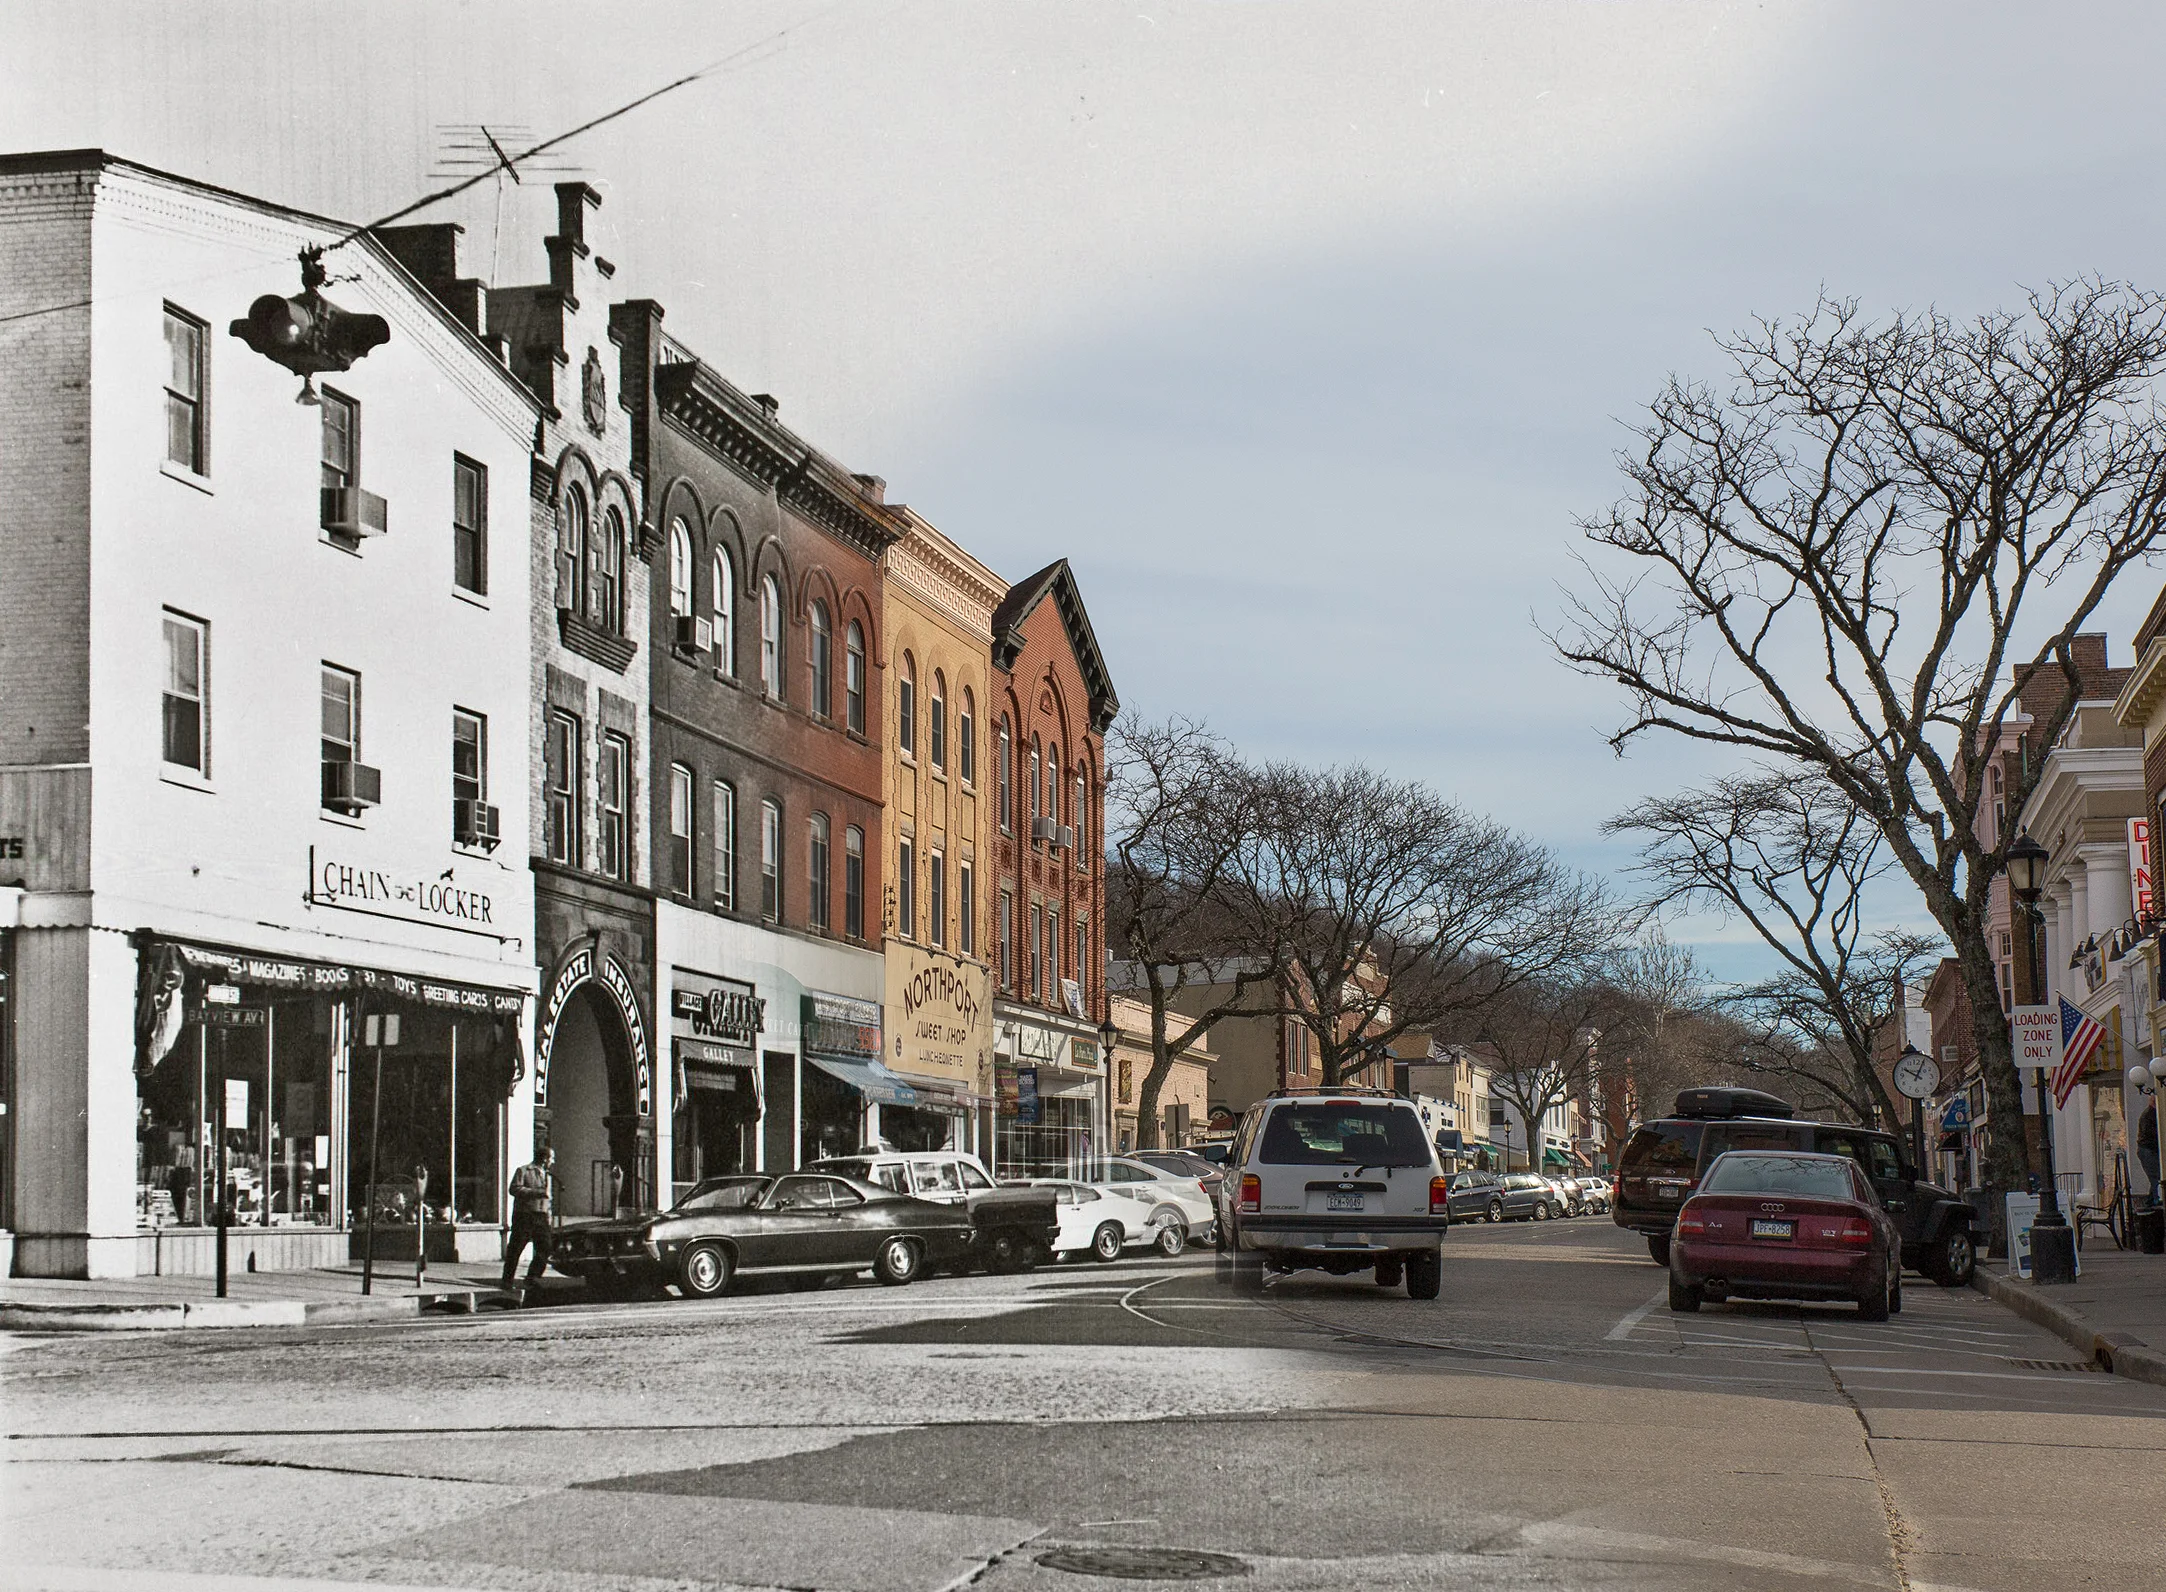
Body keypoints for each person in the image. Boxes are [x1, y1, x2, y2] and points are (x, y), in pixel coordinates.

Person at [501, 1145, 556, 1301]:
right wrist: (536, 1193)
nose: (553, 1162)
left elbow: (549, 1199)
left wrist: (549, 1217)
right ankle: (507, 1280)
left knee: (545, 1248)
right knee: (516, 1248)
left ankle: (532, 1277)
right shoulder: (524, 1171)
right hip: (524, 1215)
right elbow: (514, 1189)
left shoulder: (548, 1175)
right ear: (544, 1158)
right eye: (551, 1158)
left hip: (542, 1216)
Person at [2138, 1100, 2159, 1209]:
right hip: (2148, 1150)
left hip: (2148, 1149)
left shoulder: (2150, 1114)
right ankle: (2156, 1200)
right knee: (2156, 1176)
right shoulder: (2150, 1115)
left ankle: (2151, 1201)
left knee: (2155, 1176)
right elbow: (2152, 1134)